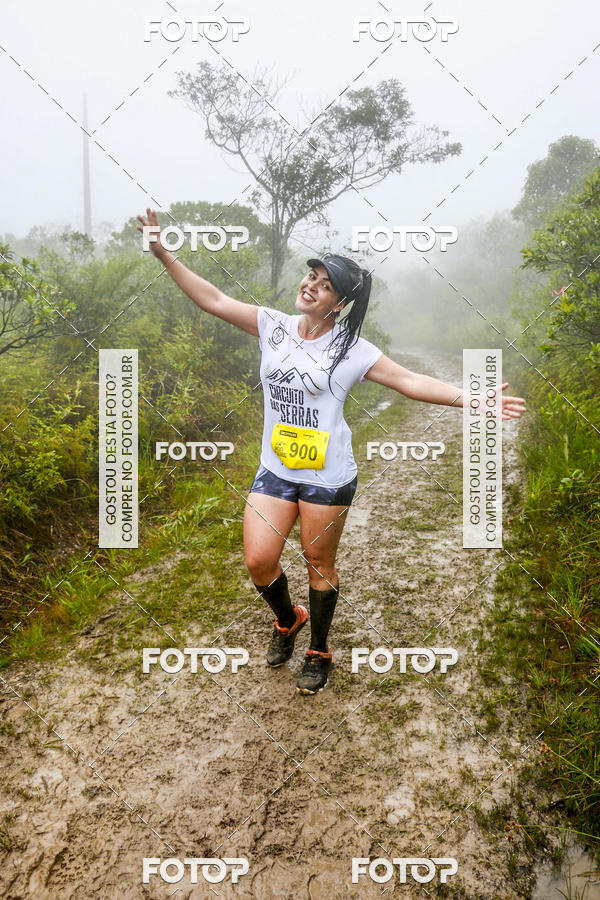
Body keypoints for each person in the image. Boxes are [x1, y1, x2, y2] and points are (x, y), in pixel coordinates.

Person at [137, 208, 526, 696]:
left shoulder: (352, 349)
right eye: (311, 276)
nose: (310, 285)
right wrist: (162, 253)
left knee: (319, 563)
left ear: (339, 303)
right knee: (259, 560)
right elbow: (212, 299)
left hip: (327, 476)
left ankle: (319, 649)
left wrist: (475, 399)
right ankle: (288, 619)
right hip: (275, 468)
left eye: (323, 285)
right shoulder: (273, 327)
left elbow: (408, 381)